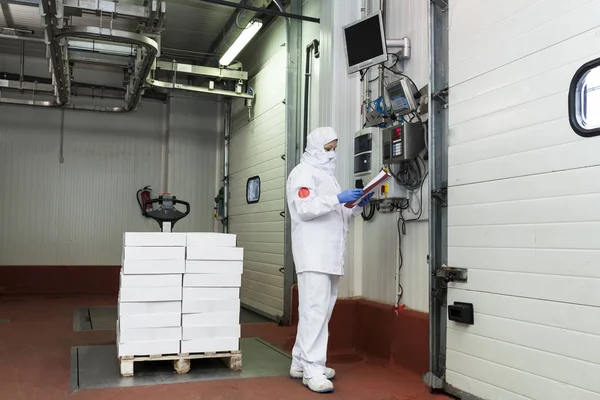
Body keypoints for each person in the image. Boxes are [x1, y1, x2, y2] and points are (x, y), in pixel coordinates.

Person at [286, 126, 373, 393]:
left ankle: (300, 361)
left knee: (320, 312)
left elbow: (337, 214)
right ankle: (313, 368)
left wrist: (356, 205)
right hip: (313, 254)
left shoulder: (327, 176)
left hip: (330, 256)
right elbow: (305, 208)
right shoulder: (303, 173)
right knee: (314, 311)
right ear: (314, 147)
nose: (332, 154)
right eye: (328, 149)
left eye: (335, 149)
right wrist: (337, 198)